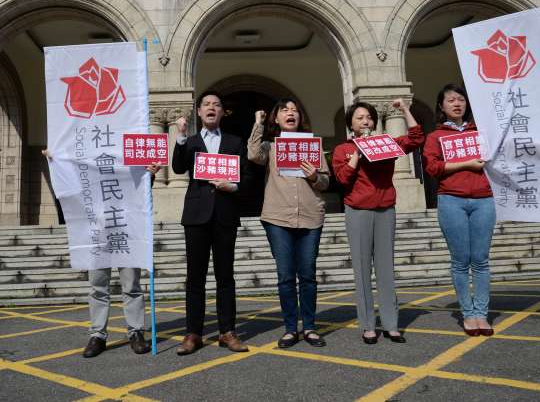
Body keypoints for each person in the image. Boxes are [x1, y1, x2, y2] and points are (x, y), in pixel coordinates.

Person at [422, 83, 540, 337]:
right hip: (451, 201)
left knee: (480, 261)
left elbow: (516, 145)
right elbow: (432, 168)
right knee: (460, 261)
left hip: (484, 200)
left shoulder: (483, 132)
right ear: (441, 106)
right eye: (450, 100)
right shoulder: (436, 137)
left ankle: (482, 313)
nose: (457, 104)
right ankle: (468, 315)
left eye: (461, 99)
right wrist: (465, 163)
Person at [43, 148, 159, 357]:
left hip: (125, 229)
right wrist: (56, 160)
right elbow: (71, 183)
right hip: (95, 231)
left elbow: (139, 189)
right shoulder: (85, 152)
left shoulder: (123, 150)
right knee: (97, 286)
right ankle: (97, 334)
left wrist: (148, 174)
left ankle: (136, 332)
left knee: (131, 285)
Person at [332, 99, 424, 345]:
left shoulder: (387, 144)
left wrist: (404, 110)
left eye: (369, 117)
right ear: (351, 124)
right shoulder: (343, 149)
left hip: (385, 209)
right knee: (362, 270)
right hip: (358, 211)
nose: (365, 121)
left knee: (385, 268)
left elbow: (416, 139)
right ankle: (367, 325)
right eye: (359, 118)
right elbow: (342, 179)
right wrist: (357, 156)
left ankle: (391, 324)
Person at [247, 98, 331, 349]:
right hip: (278, 217)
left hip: (310, 216)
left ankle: (310, 326)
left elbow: (326, 182)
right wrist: (258, 124)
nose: (290, 113)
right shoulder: (271, 148)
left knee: (307, 274)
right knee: (285, 276)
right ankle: (290, 328)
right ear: (277, 118)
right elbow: (253, 154)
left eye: (294, 110)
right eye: (285, 110)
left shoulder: (313, 147)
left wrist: (315, 176)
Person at [171, 91, 248, 355]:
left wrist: (233, 186)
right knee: (195, 277)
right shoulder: (190, 141)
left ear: (222, 111)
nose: (211, 108)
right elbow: (179, 168)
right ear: (200, 112)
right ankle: (193, 333)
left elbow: (246, 177)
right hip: (196, 216)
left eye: (217, 104)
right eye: (206, 104)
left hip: (225, 215)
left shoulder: (235, 141)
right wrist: (179, 136)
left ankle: (228, 331)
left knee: (225, 276)